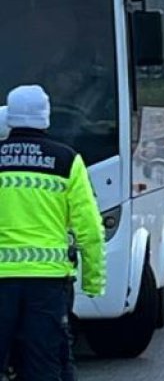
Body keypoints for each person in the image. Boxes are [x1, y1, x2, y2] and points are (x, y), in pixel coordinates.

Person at [0, 85, 105, 380]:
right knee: (45, 364)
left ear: (10, 117)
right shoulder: (66, 160)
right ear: (46, 117)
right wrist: (93, 281)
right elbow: (90, 230)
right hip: (46, 284)